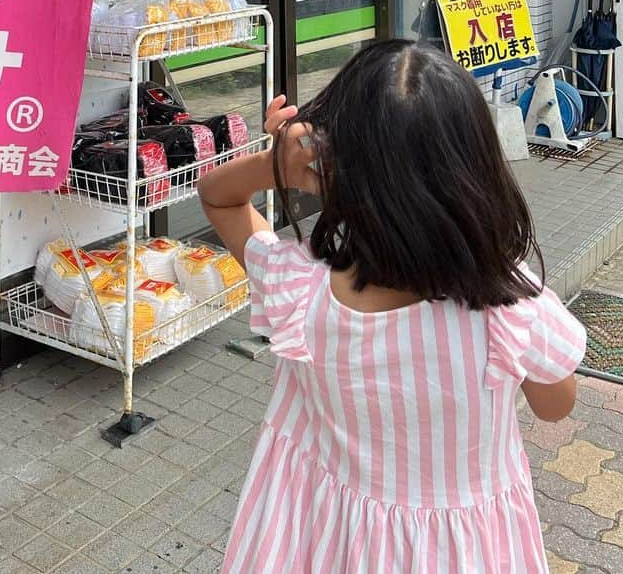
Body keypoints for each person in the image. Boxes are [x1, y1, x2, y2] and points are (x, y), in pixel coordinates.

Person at [198, 40, 585, 574]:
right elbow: (555, 405)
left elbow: (217, 196)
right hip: (467, 554)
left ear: (340, 169)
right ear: (477, 171)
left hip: (323, 539)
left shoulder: (301, 293)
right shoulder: (510, 306)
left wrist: (279, 165)